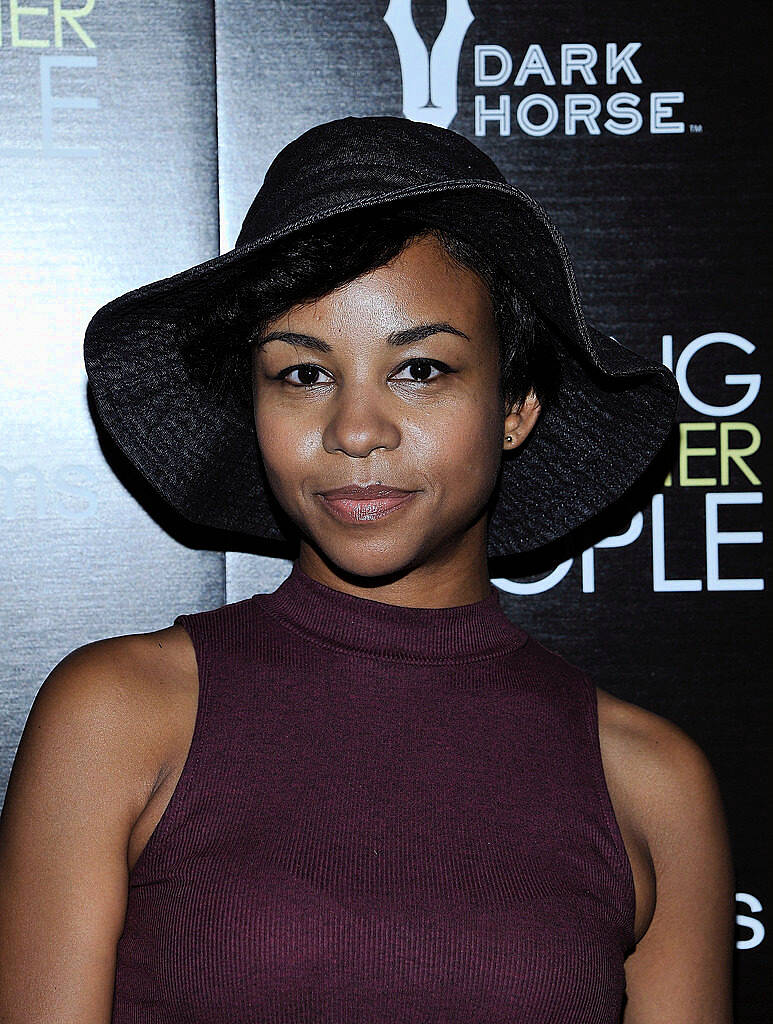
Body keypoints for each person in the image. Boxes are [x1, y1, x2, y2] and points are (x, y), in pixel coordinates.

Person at [0, 116, 734, 1022]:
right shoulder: (117, 713)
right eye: (301, 376)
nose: (355, 432)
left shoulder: (651, 780)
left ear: (515, 405)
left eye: (420, 369)